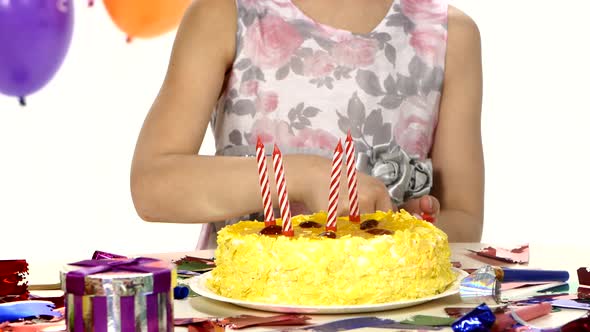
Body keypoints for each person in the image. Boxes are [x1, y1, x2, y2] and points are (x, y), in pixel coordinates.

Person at [130, 0, 484, 249]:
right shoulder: (223, 15)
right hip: (251, 312)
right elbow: (153, 187)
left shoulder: (449, 34)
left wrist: (403, 227)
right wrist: (303, 176)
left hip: (386, 314)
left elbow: (464, 219)